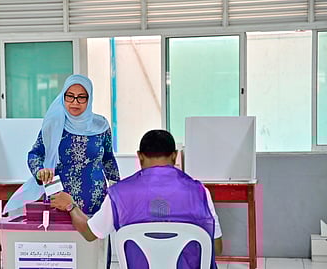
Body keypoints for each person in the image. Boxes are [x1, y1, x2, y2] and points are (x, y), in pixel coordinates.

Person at [51, 129, 223, 269]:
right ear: (174, 155)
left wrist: (70, 206)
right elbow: (217, 247)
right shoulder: (199, 191)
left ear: (140, 156)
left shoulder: (119, 194)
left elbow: (90, 234)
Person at [28, 73, 120, 215]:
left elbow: (108, 160)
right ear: (63, 97)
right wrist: (40, 171)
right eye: (70, 96)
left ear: (89, 99)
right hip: (59, 202)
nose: (75, 102)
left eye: (81, 97)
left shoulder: (101, 126)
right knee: (62, 238)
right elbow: (35, 154)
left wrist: (117, 193)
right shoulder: (54, 125)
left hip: (95, 203)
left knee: (93, 236)